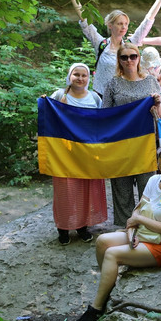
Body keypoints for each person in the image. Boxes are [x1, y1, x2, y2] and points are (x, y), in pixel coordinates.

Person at [72, 143, 161, 321]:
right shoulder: (152, 181)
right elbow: (136, 213)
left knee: (112, 254)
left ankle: (96, 307)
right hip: (142, 234)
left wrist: (138, 219)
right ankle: (107, 287)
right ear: (157, 161)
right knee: (102, 241)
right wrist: (132, 232)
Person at [69, 0, 161, 96]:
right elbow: (85, 19)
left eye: (126, 24)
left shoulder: (130, 45)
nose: (124, 27)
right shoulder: (101, 44)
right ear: (110, 25)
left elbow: (147, 22)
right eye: (119, 24)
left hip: (122, 97)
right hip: (100, 96)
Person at [103, 43, 161, 226]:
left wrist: (159, 103)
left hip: (145, 144)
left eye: (133, 56)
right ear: (119, 60)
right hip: (120, 145)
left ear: (138, 59)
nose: (129, 60)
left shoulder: (151, 81)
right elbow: (105, 114)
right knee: (122, 190)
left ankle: (147, 228)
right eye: (124, 57)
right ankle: (125, 229)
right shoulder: (113, 83)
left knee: (148, 189)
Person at [48, 63, 106, 244]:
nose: (80, 78)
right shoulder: (59, 95)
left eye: (84, 75)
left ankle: (82, 226)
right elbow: (48, 117)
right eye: (76, 74)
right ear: (69, 76)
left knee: (85, 189)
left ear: (89, 78)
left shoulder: (95, 98)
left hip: (88, 152)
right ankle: (63, 228)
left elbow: (103, 121)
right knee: (66, 189)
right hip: (64, 153)